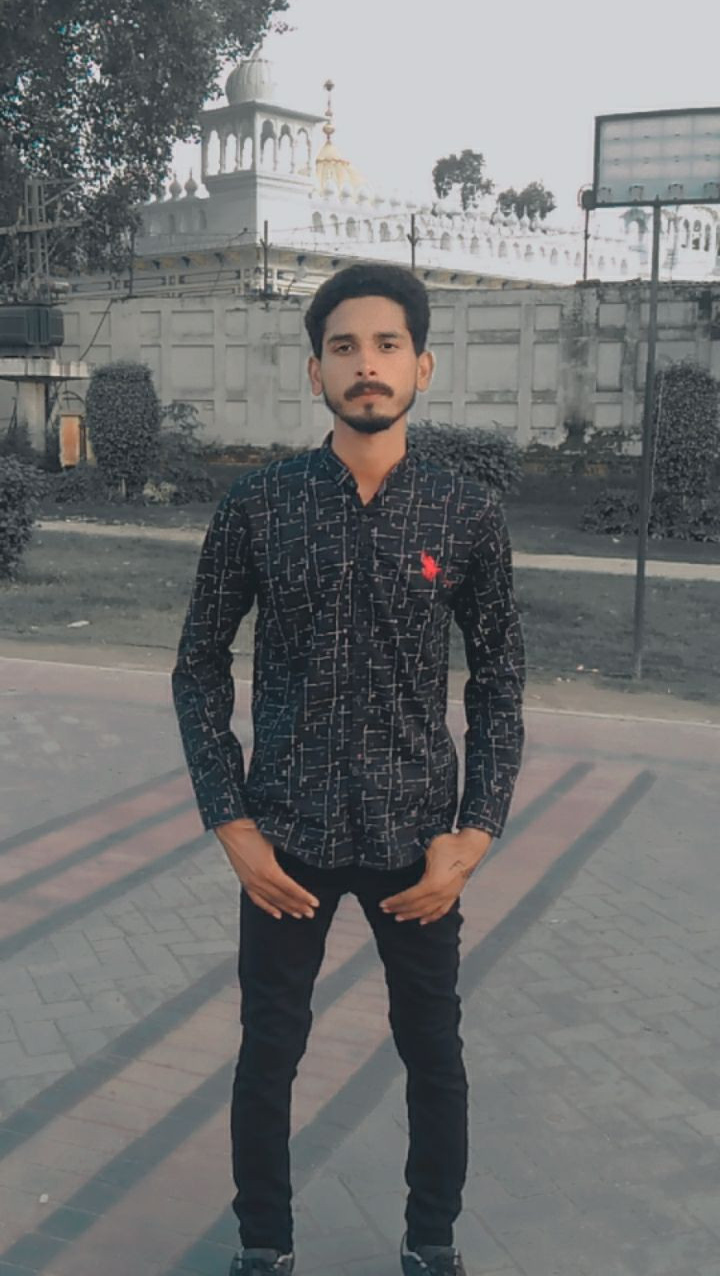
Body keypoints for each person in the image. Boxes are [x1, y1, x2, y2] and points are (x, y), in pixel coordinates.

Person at [172, 262, 525, 1276]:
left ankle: (431, 1243)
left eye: (386, 346)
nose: (366, 365)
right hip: (285, 836)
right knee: (269, 1051)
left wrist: (476, 831)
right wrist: (231, 820)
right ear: (315, 370)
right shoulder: (260, 505)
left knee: (433, 1052)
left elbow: (500, 676)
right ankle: (264, 1246)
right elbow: (199, 664)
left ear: (422, 365)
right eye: (344, 347)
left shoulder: (463, 513)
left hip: (418, 842)